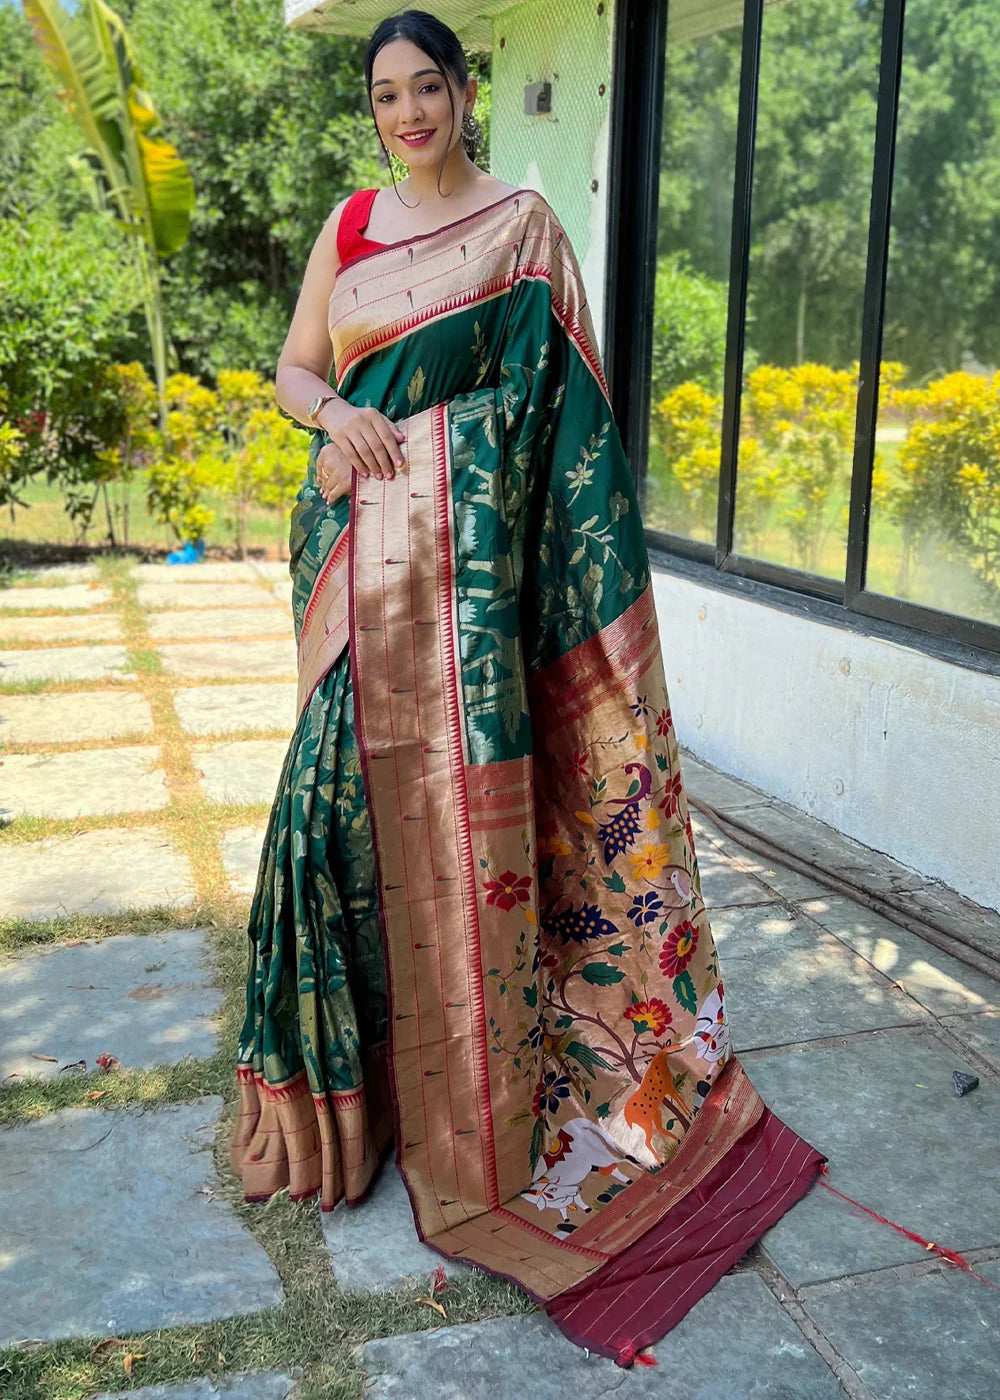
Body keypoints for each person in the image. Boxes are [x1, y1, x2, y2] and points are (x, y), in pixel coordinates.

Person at [230, 7, 825, 1365]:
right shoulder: (351, 225)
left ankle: (471, 1095)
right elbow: (296, 365)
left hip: (475, 589)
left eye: (425, 87)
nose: (406, 113)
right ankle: (356, 1102)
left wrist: (439, 445)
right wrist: (331, 417)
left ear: (461, 90)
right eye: (384, 94)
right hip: (358, 569)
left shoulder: (522, 231)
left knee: (464, 836)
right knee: (328, 816)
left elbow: (569, 423)